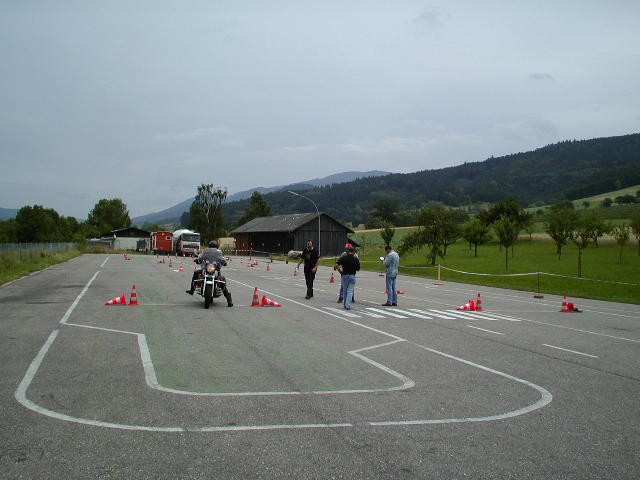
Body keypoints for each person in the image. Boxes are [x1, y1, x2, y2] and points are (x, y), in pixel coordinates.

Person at [186, 240, 233, 307]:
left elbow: (222, 259)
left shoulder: (219, 253)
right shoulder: (206, 252)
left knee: (222, 282)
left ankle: (229, 299)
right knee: (196, 273)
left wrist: (224, 261)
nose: (213, 248)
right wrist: (198, 259)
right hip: (207, 268)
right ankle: (192, 290)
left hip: (215, 270)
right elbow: (201, 257)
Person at [335, 245, 360, 310]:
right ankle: (348, 305)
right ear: (353, 252)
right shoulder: (355, 259)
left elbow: (336, 265)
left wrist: (340, 271)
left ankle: (345, 304)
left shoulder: (343, 258)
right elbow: (358, 269)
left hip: (345, 275)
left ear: (348, 251)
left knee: (345, 290)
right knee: (350, 290)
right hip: (352, 276)